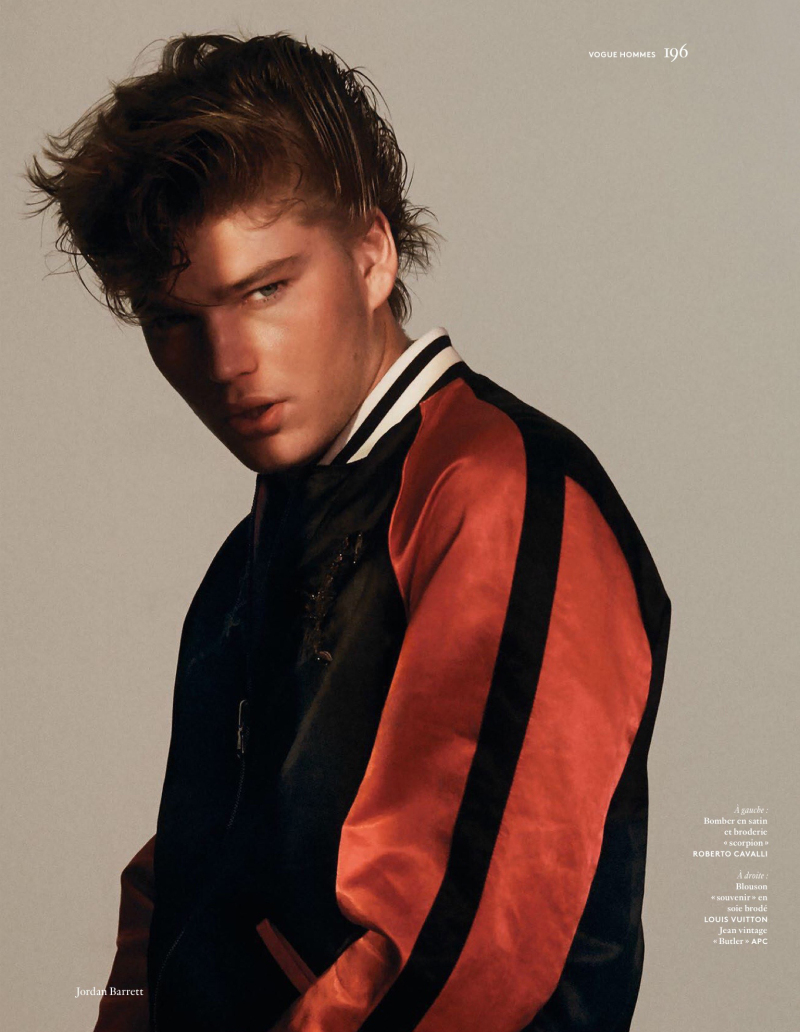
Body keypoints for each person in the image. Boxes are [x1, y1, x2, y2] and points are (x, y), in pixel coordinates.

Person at [28, 32, 671, 1032]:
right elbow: (183, 887)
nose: (228, 361)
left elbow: (460, 949)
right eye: (174, 319)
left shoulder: (495, 492)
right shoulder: (253, 553)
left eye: (265, 289)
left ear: (372, 255)